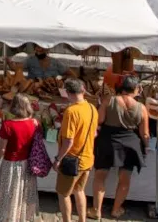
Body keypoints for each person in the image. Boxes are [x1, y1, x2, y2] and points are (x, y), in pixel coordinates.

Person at [91, 76, 149, 220]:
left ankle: (96, 210)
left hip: (107, 140)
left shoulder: (108, 100)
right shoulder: (141, 108)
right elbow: (145, 133)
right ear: (135, 89)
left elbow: (100, 120)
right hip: (130, 143)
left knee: (100, 176)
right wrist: (146, 147)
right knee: (124, 179)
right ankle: (116, 210)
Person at [54, 78, 98, 222]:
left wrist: (58, 159)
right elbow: (94, 133)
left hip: (72, 161)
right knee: (79, 190)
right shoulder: (92, 108)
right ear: (83, 90)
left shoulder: (71, 111)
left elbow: (68, 140)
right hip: (87, 158)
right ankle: (82, 220)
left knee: (63, 194)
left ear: (67, 93)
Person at [0, 94, 40, 222]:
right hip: (28, 163)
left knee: (9, 192)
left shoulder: (8, 125)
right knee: (23, 192)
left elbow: (2, 148)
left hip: (11, 163)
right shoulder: (34, 123)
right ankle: (21, 217)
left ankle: (8, 217)